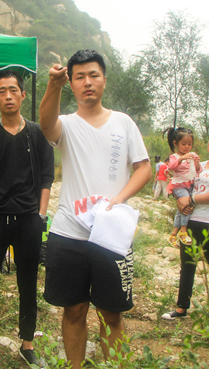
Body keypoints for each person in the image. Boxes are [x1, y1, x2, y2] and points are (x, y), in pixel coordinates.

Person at [39, 50, 151, 369]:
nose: (87, 82)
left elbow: (144, 168)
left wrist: (119, 200)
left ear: (104, 80)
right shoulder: (66, 124)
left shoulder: (123, 123)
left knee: (111, 314)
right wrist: (53, 85)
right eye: (79, 77)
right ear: (71, 83)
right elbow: (45, 125)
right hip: (68, 234)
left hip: (110, 236)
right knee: (73, 310)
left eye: (94, 75)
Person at [0, 70, 54, 369]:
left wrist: (40, 215)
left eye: (13, 90)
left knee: (28, 284)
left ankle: (27, 344)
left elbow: (46, 177)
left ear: (23, 95)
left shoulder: (38, 135)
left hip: (28, 219)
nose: (8, 96)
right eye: (2, 91)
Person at [161, 128, 209, 321]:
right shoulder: (198, 165)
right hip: (190, 221)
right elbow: (182, 185)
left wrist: (191, 199)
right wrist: (180, 202)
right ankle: (181, 308)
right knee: (187, 266)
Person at [163, 127, 201, 247]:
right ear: (176, 143)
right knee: (186, 205)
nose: (187, 147)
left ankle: (173, 234)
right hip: (179, 185)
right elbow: (171, 167)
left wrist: (197, 163)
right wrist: (181, 159)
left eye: (189, 144)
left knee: (181, 209)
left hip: (190, 185)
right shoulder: (174, 156)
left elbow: (198, 170)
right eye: (183, 144)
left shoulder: (192, 155)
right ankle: (183, 231)